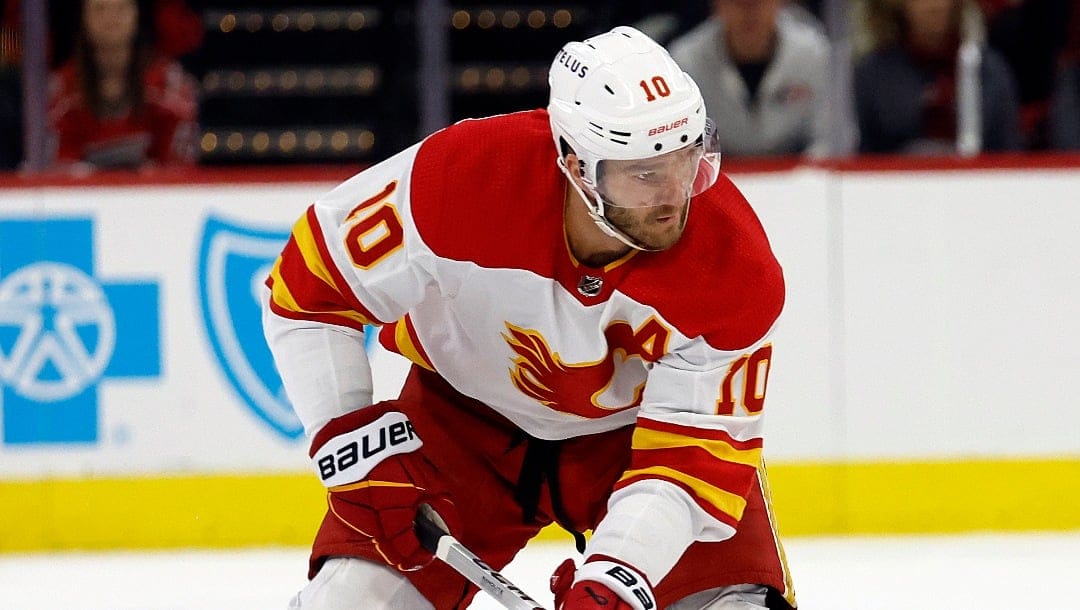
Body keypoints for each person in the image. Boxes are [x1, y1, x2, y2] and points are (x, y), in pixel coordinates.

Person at [264, 26, 796, 610]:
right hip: (459, 430)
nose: (674, 195)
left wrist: (620, 574)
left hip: (635, 442)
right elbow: (308, 287)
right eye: (644, 174)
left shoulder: (734, 263)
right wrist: (353, 445)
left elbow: (691, 457)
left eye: (686, 159)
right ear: (573, 161)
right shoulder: (461, 178)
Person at [667, 0, 832, 158]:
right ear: (717, 3)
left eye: (759, 1)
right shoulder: (686, 60)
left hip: (799, 175)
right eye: (737, 2)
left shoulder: (814, 52)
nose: (750, 11)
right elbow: (683, 145)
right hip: (718, 175)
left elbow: (827, 138)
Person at [853, 0, 1022, 154]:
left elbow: (1010, 152)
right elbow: (861, 156)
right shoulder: (873, 74)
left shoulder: (988, 71)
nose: (935, 5)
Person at [47, 0, 198, 170]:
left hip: (152, 193)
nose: (110, 18)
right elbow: (56, 169)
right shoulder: (61, 89)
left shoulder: (169, 85)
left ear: (136, 15)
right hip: (82, 194)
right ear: (84, 18)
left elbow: (179, 168)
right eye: (100, 9)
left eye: (120, 8)